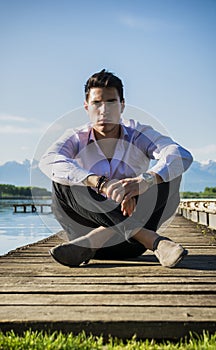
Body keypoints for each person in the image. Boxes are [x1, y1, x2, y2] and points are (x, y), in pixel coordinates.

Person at [39, 69, 193, 268]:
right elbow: (48, 160)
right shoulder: (76, 137)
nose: (104, 110)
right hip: (82, 239)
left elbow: (181, 155)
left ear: (122, 105)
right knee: (62, 179)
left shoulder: (139, 134)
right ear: (86, 106)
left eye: (111, 102)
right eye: (97, 103)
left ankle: (101, 237)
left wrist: (143, 182)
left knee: (169, 174)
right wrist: (99, 183)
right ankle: (154, 241)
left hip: (123, 245)